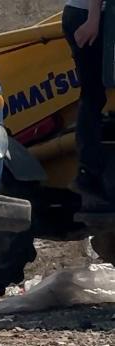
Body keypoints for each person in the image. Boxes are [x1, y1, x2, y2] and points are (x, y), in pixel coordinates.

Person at [63, 0, 110, 209]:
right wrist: (93, 18)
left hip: (94, 14)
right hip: (86, 15)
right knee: (93, 95)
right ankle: (87, 174)